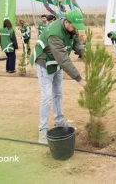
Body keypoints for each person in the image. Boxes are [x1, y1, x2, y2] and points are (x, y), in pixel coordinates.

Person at [30, 10, 87, 144]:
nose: (75, 31)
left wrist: (88, 55)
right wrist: (80, 79)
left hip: (56, 63)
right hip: (44, 62)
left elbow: (77, 45)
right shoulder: (55, 33)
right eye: (74, 27)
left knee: (58, 93)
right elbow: (64, 60)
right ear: (66, 22)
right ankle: (43, 130)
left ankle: (59, 122)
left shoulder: (73, 29)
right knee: (47, 95)